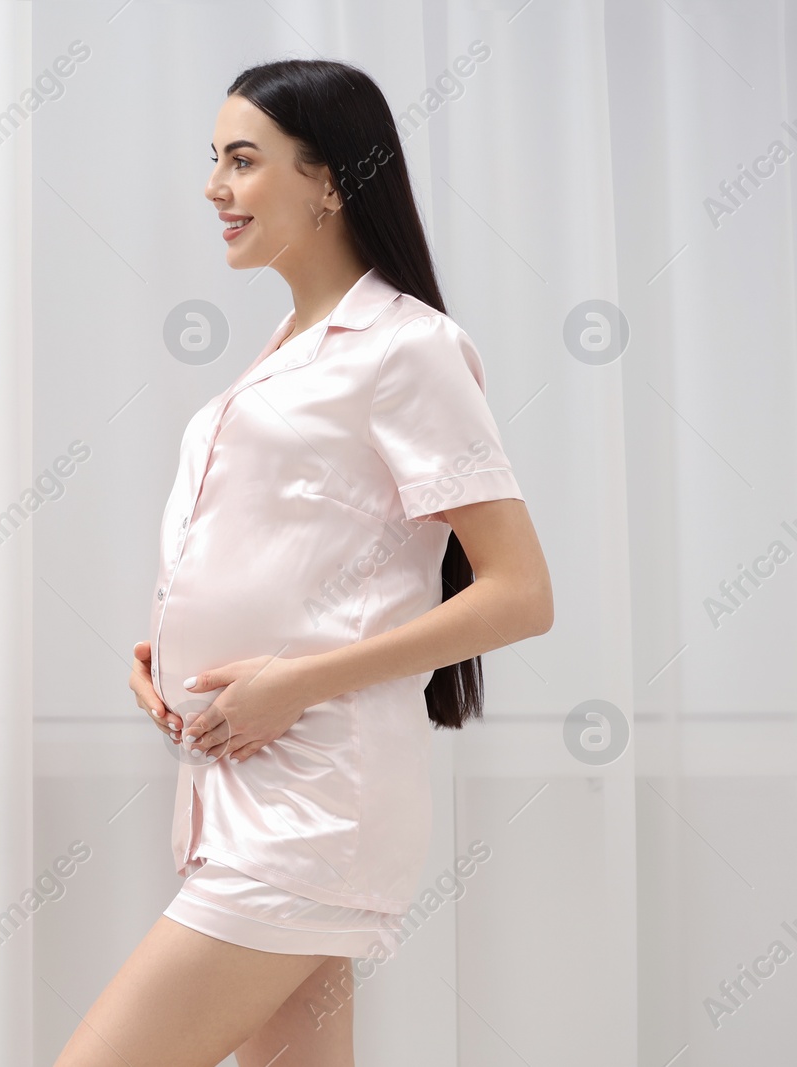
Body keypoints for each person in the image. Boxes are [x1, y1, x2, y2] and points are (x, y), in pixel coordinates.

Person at [51, 59, 554, 1067]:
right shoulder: (289, 345)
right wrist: (176, 660)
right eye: (214, 161)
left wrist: (294, 681)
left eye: (242, 161)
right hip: (239, 785)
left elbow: (519, 591)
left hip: (313, 803)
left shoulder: (405, 348)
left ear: (330, 181)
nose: (213, 188)